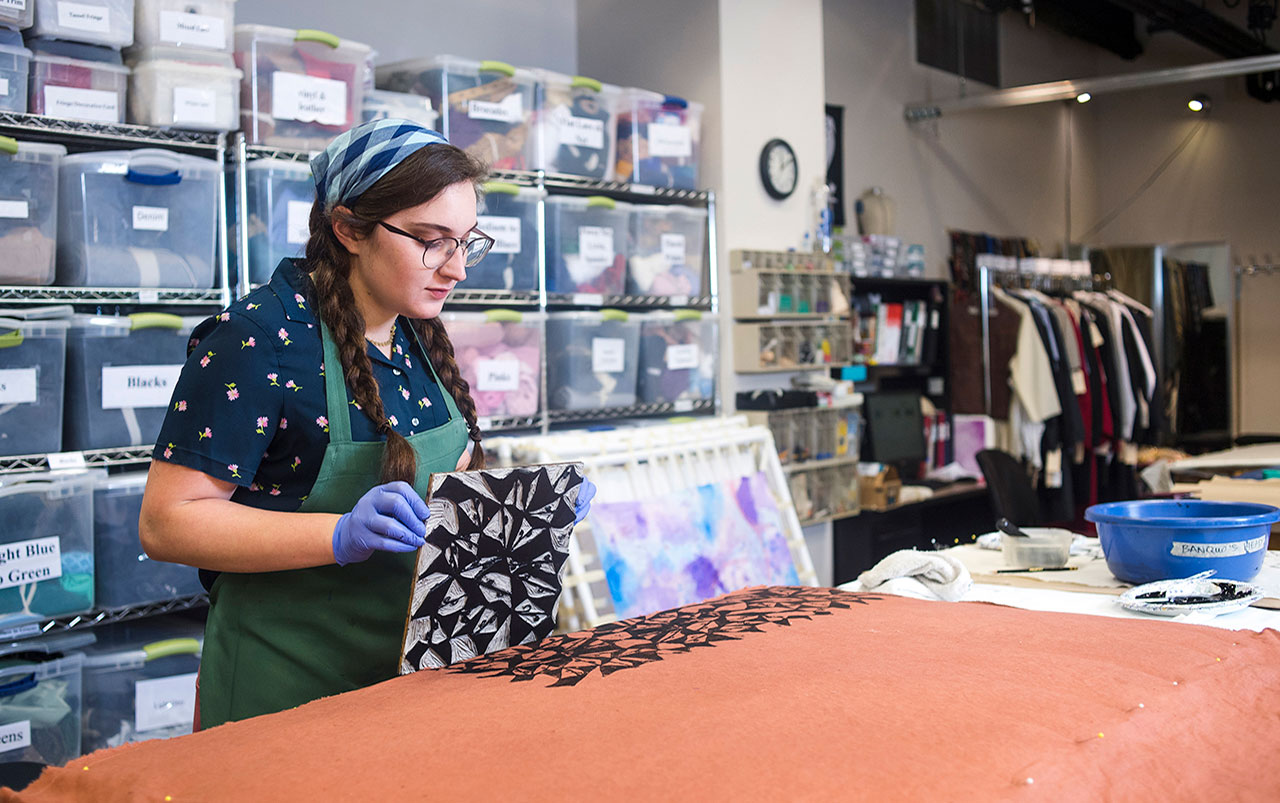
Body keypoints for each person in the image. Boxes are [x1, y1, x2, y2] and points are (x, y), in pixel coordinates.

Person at [139, 119, 596, 729]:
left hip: (407, 686)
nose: (457, 269)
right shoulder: (260, 338)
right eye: (432, 241)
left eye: (467, 242)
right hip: (283, 692)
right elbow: (166, 523)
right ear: (349, 228)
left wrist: (522, 513)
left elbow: (442, 483)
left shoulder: (417, 331)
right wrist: (337, 536)